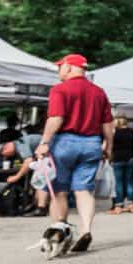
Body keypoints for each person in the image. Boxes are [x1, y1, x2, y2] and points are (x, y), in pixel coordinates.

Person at [34, 54, 114, 253]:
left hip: (65, 142)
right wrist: (108, 147)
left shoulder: (60, 90)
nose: (59, 71)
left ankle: (60, 228)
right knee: (84, 190)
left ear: (69, 67)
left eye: (60, 67)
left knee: (59, 190)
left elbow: (56, 118)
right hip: (92, 143)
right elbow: (107, 124)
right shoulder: (99, 92)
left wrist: (44, 142)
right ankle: (86, 230)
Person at [108, 115, 133, 213]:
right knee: (130, 182)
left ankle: (119, 205)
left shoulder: (114, 133)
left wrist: (109, 158)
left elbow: (110, 147)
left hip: (117, 159)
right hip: (130, 159)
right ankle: (131, 204)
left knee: (118, 183)